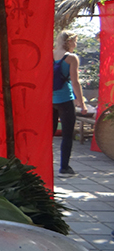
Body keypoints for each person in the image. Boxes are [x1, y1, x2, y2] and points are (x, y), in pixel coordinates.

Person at [53, 30, 88, 175]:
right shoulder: (71, 58)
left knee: (48, 133)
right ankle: (64, 167)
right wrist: (81, 103)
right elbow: (75, 82)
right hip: (65, 99)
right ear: (68, 42)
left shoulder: (50, 54)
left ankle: (41, 164)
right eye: (75, 41)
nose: (76, 44)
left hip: (50, 99)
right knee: (67, 134)